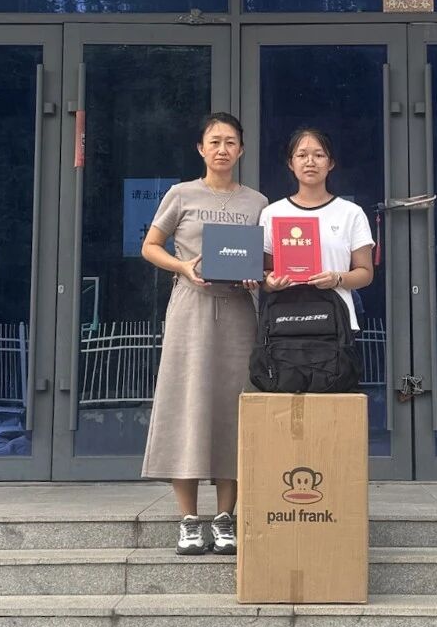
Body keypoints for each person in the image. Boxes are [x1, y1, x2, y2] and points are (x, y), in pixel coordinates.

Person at [140, 112, 266, 556]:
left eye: (230, 142)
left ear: (241, 150)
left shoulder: (258, 203)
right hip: (190, 309)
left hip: (238, 312)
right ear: (201, 148)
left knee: (235, 407)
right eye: (214, 141)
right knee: (187, 404)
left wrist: (255, 275)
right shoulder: (180, 195)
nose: (222, 149)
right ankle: (189, 519)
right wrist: (182, 266)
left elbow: (264, 258)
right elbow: (150, 246)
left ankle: (225, 517)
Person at [259, 127, 375, 334]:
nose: (310, 162)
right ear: (290, 163)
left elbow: (365, 273)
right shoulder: (272, 213)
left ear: (331, 163)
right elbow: (266, 274)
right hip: (284, 322)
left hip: (336, 321)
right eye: (302, 155)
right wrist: (270, 282)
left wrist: (337, 278)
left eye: (319, 155)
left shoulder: (351, 213)